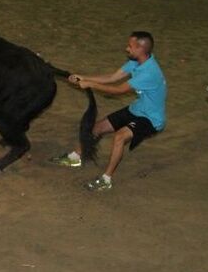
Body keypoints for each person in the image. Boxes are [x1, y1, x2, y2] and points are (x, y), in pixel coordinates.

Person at [51, 32, 167, 191]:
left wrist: (90, 84)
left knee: (120, 137)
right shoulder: (137, 61)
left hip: (151, 119)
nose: (127, 49)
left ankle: (106, 179)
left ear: (140, 49)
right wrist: (83, 77)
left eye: (130, 46)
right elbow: (112, 77)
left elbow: (118, 90)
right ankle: (75, 157)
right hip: (137, 109)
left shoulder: (149, 72)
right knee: (97, 128)